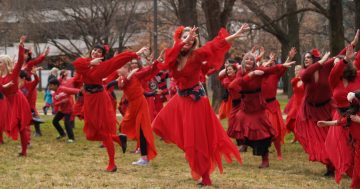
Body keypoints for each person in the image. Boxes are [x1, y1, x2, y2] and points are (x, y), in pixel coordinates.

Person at [152, 24, 250, 186]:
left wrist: (235, 34)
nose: (189, 40)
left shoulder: (197, 55)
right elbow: (169, 56)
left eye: (191, 38)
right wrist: (183, 41)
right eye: (184, 37)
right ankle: (191, 151)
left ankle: (205, 176)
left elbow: (215, 45)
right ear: (178, 39)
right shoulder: (173, 57)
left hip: (196, 101)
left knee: (197, 140)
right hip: (180, 99)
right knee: (159, 124)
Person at [72, 44, 147, 172]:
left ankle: (112, 164)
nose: (96, 52)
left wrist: (134, 54)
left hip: (99, 99)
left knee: (104, 131)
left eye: (99, 51)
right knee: (90, 134)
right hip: (88, 99)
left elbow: (116, 61)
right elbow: (77, 64)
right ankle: (118, 139)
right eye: (94, 50)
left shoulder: (103, 67)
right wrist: (91, 62)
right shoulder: (85, 63)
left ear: (102, 56)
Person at [230, 52, 295, 168]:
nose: (249, 60)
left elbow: (271, 70)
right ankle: (244, 146)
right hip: (245, 109)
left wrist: (283, 65)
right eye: (247, 59)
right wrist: (252, 74)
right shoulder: (241, 72)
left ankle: (265, 160)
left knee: (263, 135)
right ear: (244, 61)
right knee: (239, 129)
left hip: (258, 109)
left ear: (254, 62)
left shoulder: (260, 70)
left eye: (251, 59)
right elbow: (234, 85)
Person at [295, 43, 348, 176]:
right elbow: (306, 74)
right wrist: (322, 62)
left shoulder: (325, 67)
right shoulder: (304, 72)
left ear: (314, 58)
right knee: (318, 140)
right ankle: (330, 166)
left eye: (309, 57)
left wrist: (352, 44)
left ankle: (334, 164)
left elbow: (339, 55)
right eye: (305, 58)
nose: (306, 59)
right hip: (311, 111)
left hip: (326, 108)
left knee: (330, 138)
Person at [117, 60, 160, 166]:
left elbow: (149, 71)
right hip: (132, 106)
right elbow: (122, 85)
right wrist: (128, 77)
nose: (118, 69)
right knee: (123, 126)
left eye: (121, 67)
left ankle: (145, 158)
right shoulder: (120, 80)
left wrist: (157, 62)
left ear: (127, 69)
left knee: (142, 130)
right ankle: (124, 142)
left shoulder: (136, 75)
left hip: (141, 103)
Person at [0, 36, 32, 156]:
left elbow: (19, 61)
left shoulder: (14, 73)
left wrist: (21, 46)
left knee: (21, 126)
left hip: (18, 99)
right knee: (14, 125)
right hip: (8, 102)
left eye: (0, 62)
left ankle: (24, 151)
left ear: (5, 63)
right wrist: (4, 86)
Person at [48, 78, 79, 143]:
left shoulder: (63, 89)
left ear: (56, 85)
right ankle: (62, 134)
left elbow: (73, 90)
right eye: (49, 85)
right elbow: (55, 104)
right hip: (62, 110)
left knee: (66, 123)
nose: (49, 87)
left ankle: (71, 138)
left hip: (69, 109)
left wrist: (81, 91)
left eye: (51, 85)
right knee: (54, 121)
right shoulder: (54, 94)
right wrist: (61, 102)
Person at [284, 65, 304, 143]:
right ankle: (296, 136)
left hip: (302, 103)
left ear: (302, 70)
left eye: (298, 70)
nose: (296, 71)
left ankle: (301, 137)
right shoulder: (294, 80)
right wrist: (298, 77)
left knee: (300, 122)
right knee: (289, 122)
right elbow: (292, 82)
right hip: (295, 103)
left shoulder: (305, 80)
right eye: (295, 70)